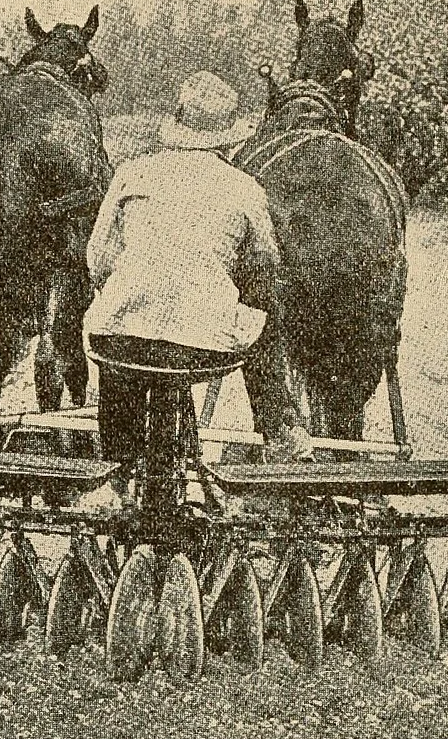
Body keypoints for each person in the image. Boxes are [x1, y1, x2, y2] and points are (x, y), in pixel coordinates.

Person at [83, 71, 312, 474]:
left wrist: (134, 293)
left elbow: (98, 259)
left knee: (121, 360)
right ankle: (282, 429)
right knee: (263, 315)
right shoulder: (245, 189)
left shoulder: (131, 173)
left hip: (117, 341)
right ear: (228, 136)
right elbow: (266, 264)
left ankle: (117, 473)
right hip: (203, 348)